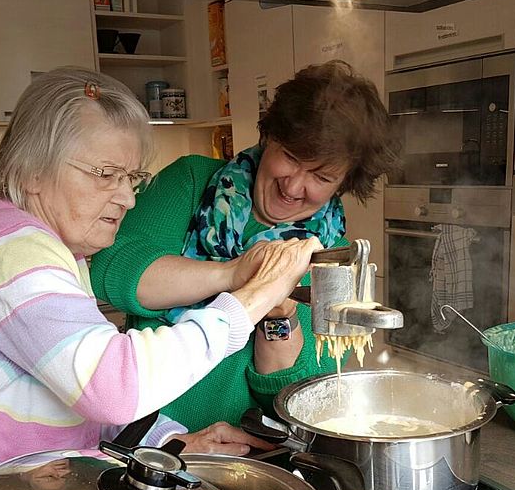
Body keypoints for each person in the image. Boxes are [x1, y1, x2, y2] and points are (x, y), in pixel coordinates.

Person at [0, 67, 320, 490]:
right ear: (31, 169)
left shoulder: (51, 246)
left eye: (131, 178)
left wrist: (174, 443)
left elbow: (72, 396)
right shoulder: (13, 247)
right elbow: (111, 387)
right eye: (105, 174)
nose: (125, 197)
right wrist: (252, 298)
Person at [90, 60, 399, 432]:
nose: (294, 186)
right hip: (153, 440)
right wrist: (238, 275)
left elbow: (292, 396)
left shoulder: (334, 257)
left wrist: (278, 316)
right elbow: (111, 270)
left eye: (321, 176)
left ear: (344, 183)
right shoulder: (190, 183)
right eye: (290, 157)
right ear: (269, 138)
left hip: (248, 451)